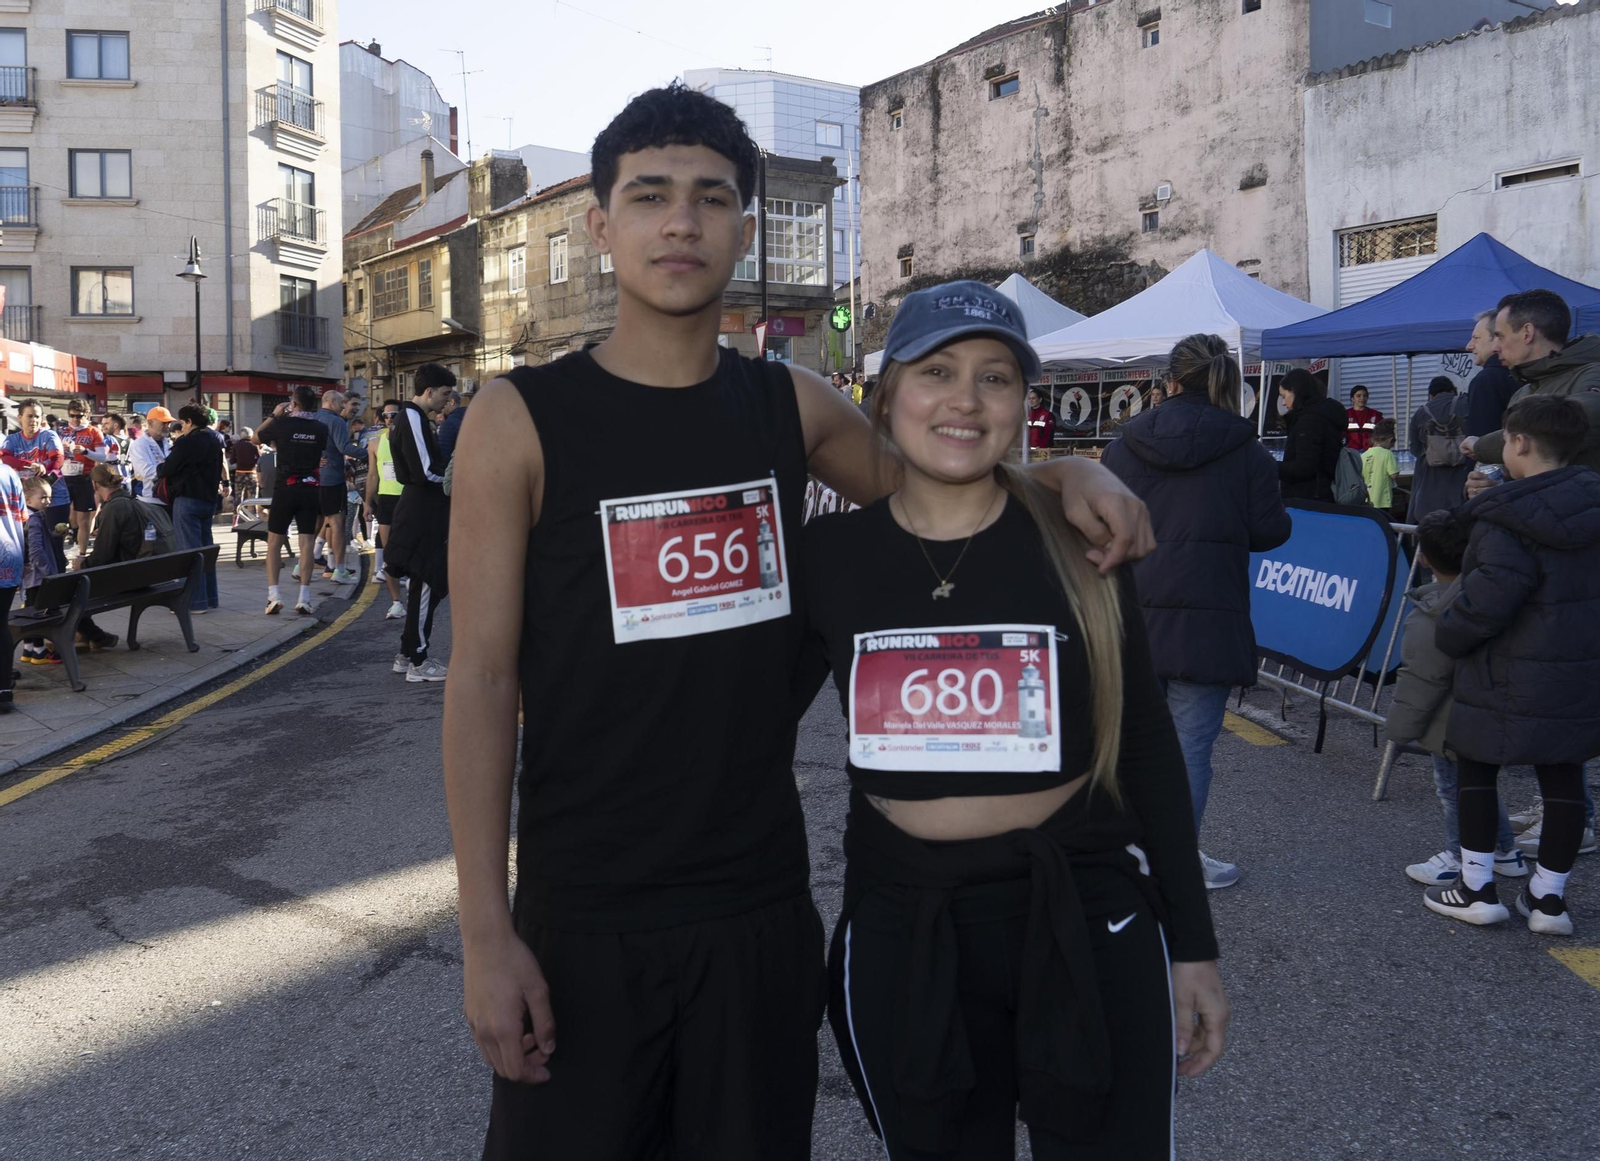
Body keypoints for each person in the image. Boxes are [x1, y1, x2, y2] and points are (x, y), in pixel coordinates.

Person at [442, 84, 1154, 1161]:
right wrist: (484, 934)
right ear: (601, 224)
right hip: (583, 911)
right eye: (649, 196)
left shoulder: (791, 405)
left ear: (742, 226)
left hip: (756, 911)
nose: (680, 222)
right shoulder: (520, 419)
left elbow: (948, 481)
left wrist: (1066, 463)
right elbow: (482, 682)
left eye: (711, 199)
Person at [801, 288, 1226, 1158]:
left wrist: (1194, 946)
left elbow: (1144, 744)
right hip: (905, 925)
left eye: (994, 377)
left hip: (1083, 912)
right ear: (885, 398)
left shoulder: (1082, 544)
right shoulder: (830, 561)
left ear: (1023, 405)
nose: (965, 398)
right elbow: (737, 724)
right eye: (936, 372)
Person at [1103, 332, 1292, 889]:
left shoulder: (1123, 445)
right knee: (1189, 749)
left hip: (1131, 614)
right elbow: (1270, 530)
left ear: (1169, 381)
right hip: (1210, 617)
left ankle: (1131, 848)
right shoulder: (1247, 449)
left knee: (1133, 743)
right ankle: (1176, 858)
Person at [1427, 396, 1600, 936]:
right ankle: (1549, 898)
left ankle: (1477, 887)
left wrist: (1446, 633)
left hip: (1502, 669)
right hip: (1577, 670)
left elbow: (1486, 601)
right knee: (1565, 778)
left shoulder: (1507, 516)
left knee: (1477, 768)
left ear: (1519, 443)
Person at [1388, 510, 1525, 886]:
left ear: (1424, 558)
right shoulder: (1489, 596)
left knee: (1454, 791)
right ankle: (1504, 851)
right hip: (1488, 714)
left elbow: (1421, 682)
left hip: (1448, 727)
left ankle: (1457, 854)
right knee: (1481, 786)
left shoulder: (1430, 615)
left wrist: (1399, 730)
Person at [1462, 288, 1600, 498]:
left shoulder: (1592, 372)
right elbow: (1519, 468)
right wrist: (1489, 484)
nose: (1495, 347)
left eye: (1499, 336)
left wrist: (1480, 446)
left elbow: (1574, 420)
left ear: (1527, 333)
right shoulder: (1523, 392)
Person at [385, 365, 453, 681]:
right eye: (445, 394)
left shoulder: (413, 418)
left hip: (419, 509)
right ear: (429, 392)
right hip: (422, 514)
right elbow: (425, 471)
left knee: (420, 589)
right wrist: (458, 482)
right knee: (426, 585)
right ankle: (419, 662)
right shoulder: (411, 417)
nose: (447, 400)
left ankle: (405, 654)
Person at [256, 385, 328, 616]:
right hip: (310, 489)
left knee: (274, 542)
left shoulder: (281, 423)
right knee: (306, 543)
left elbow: (256, 437)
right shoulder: (320, 428)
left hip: (285, 489)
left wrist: (275, 415)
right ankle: (304, 598)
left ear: (293, 404)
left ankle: (273, 595)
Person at [156, 405, 224, 614]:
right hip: (208, 500)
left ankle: (193, 602)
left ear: (189, 422)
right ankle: (210, 597)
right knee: (204, 550)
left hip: (187, 500)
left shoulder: (186, 442)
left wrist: (160, 467)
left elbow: (167, 469)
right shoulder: (215, 440)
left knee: (189, 552)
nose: (182, 426)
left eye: (183, 422)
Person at [2, 402, 69, 565]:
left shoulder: (49, 436)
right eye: (29, 416)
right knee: (30, 545)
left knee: (54, 545)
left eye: (37, 416)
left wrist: (44, 467)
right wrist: (27, 464)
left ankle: (60, 582)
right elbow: (5, 458)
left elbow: (57, 460)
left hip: (54, 500)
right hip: (26, 502)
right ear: (20, 418)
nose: (34, 420)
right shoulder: (12, 439)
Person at [309, 389, 361, 585]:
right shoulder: (336, 421)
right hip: (332, 478)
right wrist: (370, 452)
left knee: (315, 524)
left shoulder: (312, 419)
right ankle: (339, 570)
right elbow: (344, 448)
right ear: (330, 402)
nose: (343, 406)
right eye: (341, 403)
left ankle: (301, 565)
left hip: (314, 478)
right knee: (337, 524)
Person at [1407, 377, 1472, 523]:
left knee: (1431, 524)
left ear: (1431, 395)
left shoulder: (1421, 413)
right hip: (1461, 476)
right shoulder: (1466, 403)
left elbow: (1415, 449)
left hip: (1429, 483)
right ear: (1453, 390)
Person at [1277, 368, 1347, 501]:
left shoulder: (1310, 421)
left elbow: (1304, 467)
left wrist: (1271, 466)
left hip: (1307, 499)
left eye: (1284, 396)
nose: (1283, 402)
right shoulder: (1324, 416)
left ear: (1294, 391)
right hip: (1321, 494)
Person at [364, 400, 405, 620]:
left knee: (411, 549)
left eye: (394, 415)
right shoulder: (375, 443)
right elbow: (372, 475)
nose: (390, 419)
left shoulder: (409, 439)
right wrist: (367, 503)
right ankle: (396, 602)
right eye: (386, 415)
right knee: (389, 553)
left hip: (409, 498)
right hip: (387, 499)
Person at [60, 400, 109, 560]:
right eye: (72, 416)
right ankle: (63, 546)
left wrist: (85, 451)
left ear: (86, 415)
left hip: (84, 478)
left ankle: (81, 554)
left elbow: (102, 456)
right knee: (64, 517)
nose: (75, 419)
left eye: (79, 416)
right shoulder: (62, 430)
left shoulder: (94, 432)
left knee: (85, 519)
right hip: (64, 478)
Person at [1463, 309, 1518, 440]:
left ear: (1497, 339)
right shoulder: (1522, 374)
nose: (1469, 346)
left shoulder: (1486, 381)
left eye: (1476, 338)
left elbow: (1479, 440)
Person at [0, 448, 23, 711]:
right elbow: (22, 517)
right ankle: (4, 690)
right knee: (0, 624)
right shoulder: (10, 473)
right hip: (10, 557)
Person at [127, 406, 173, 503]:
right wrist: (170, 470)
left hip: (167, 498)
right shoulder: (139, 444)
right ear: (150, 423)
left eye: (169, 423)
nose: (167, 426)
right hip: (149, 499)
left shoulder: (168, 443)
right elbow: (145, 471)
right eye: (163, 423)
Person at [1361, 419, 1400, 515]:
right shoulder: (1387, 454)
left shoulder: (1364, 455)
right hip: (1382, 499)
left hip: (1366, 499)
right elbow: (1393, 475)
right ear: (1390, 440)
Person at [1344, 385, 1382, 451]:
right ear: (1352, 398)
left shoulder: (1375, 415)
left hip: (1371, 452)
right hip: (1351, 452)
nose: (1362, 398)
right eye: (1358, 396)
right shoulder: (1345, 415)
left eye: (1365, 396)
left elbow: (1383, 432)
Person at [228, 426, 260, 503]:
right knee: (253, 495)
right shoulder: (254, 445)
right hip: (251, 472)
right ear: (251, 435)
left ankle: (237, 514)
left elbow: (232, 460)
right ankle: (253, 513)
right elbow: (259, 458)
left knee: (238, 495)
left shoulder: (236, 445)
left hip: (239, 472)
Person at [436, 387, 467, 463]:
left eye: (445, 401)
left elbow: (444, 456)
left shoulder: (448, 424)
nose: (442, 405)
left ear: (452, 402)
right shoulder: (469, 418)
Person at [1025, 385, 1055, 450]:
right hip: (1028, 452)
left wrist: (1041, 447)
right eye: (1029, 398)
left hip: (1042, 452)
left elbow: (1048, 435)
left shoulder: (1047, 415)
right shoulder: (1027, 414)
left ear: (1040, 400)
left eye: (1033, 398)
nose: (1031, 401)